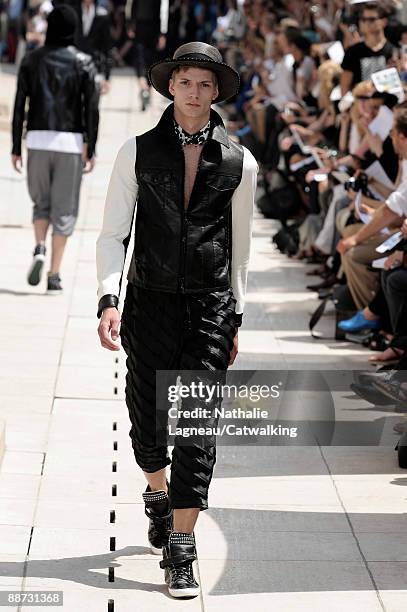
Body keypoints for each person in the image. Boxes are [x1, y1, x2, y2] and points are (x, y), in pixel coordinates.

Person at [96, 41, 258, 598]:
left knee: (196, 426)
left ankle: (183, 546)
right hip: (148, 299)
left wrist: (235, 315)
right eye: (186, 81)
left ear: (217, 93)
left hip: (209, 306)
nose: (194, 93)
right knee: (147, 421)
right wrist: (107, 299)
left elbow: (241, 251)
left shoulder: (240, 162)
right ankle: (156, 493)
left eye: (205, 84)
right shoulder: (135, 152)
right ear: (170, 87)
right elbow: (114, 233)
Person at [11, 5, 99, 294]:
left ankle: (39, 246)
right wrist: (92, 146)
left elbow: (19, 103)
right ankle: (54, 274)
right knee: (64, 210)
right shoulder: (83, 62)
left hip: (36, 138)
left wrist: (16, 146)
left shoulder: (32, 60)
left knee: (41, 204)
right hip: (70, 143)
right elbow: (91, 109)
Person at [341, 2, 395, 95]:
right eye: (363, 19)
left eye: (372, 19)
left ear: (384, 21)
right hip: (359, 105)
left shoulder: (394, 50)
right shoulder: (353, 52)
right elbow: (344, 87)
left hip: (386, 104)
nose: (366, 23)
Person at [129, 0, 169, 110]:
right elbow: (163, 12)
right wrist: (163, 33)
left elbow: (132, 5)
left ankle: (144, 89)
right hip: (152, 27)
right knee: (150, 60)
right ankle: (147, 91)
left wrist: (130, 24)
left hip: (142, 26)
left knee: (141, 58)